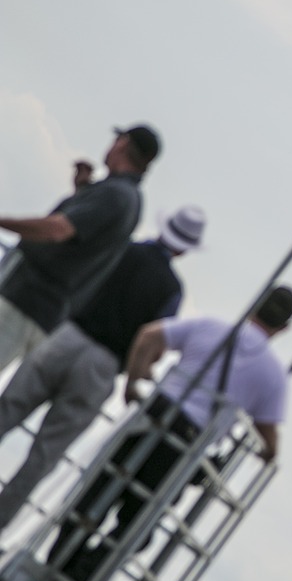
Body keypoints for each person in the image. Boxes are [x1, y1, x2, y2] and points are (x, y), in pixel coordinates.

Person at [51, 285, 292, 581]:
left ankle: (57, 561)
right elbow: (267, 430)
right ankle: (79, 578)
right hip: (185, 448)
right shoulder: (274, 376)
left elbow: (149, 335)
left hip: (154, 417)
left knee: (97, 492)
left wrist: (133, 382)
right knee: (137, 523)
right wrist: (269, 453)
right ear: (284, 328)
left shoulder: (210, 327)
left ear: (256, 303)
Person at [0, 206, 207, 531]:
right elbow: (153, 341)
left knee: (6, 411)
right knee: (43, 456)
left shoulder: (124, 249)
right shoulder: (171, 290)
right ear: (184, 249)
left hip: (67, 336)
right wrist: (135, 378)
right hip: (104, 365)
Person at [0, 126, 159, 371]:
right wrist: (83, 192)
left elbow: (58, 230)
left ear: (123, 144)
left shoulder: (115, 194)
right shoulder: (129, 199)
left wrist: (3, 221)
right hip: (45, 309)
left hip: (27, 299)